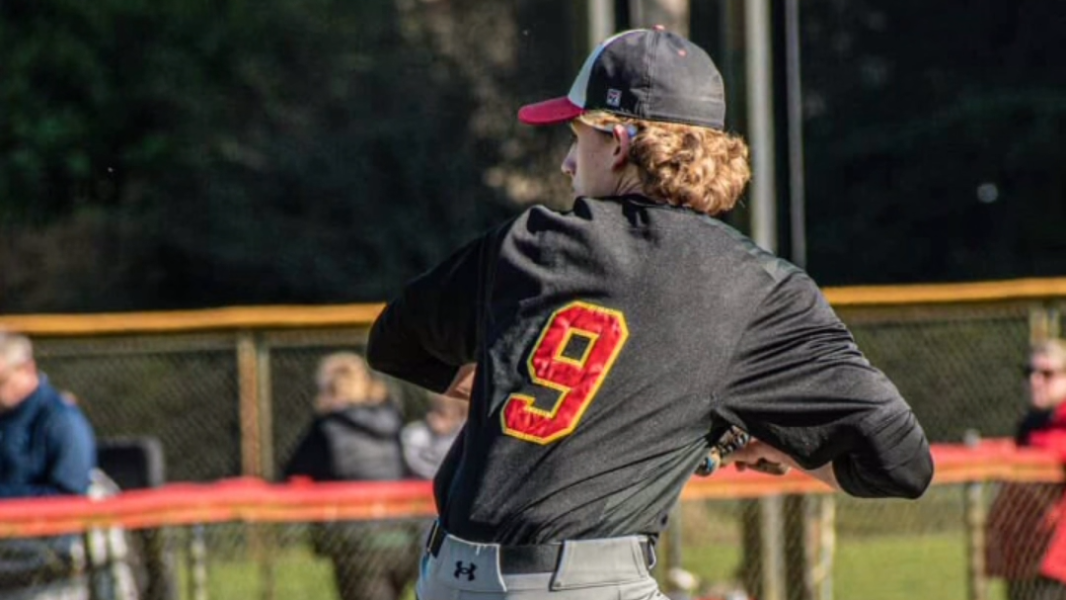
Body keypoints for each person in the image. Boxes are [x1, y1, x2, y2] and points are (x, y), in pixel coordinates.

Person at [367, 27, 934, 600]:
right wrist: (789, 447)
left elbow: (394, 342)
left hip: (447, 580)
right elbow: (902, 464)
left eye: (577, 136)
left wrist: (502, 385)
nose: (567, 162)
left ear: (617, 144)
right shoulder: (759, 290)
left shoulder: (529, 242)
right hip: (584, 584)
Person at [282, 352, 418, 600]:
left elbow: (293, 470)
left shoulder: (328, 427)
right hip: (404, 535)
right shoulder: (392, 418)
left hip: (356, 541)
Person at [0, 330, 97, 599]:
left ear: (27, 369)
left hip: (46, 562)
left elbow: (70, 498)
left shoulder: (61, 420)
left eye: (1, 381)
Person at [987, 339, 1066, 600]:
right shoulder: (1032, 424)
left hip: (1056, 563)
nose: (1035, 380)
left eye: (1047, 374)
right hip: (1027, 557)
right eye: (1029, 372)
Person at [401, 393, 468, 480]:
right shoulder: (415, 434)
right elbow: (415, 462)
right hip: (421, 484)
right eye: (440, 411)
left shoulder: (465, 434)